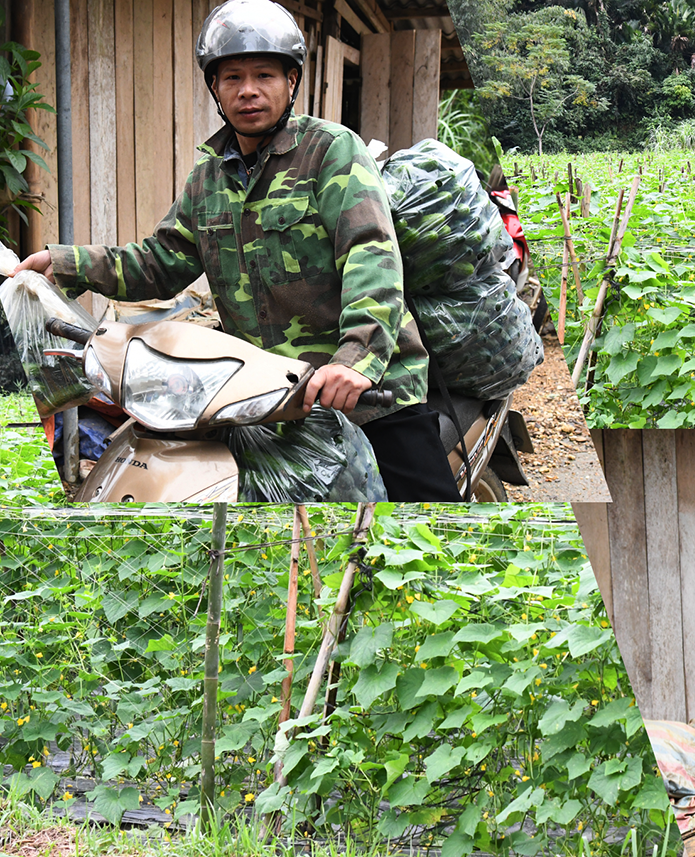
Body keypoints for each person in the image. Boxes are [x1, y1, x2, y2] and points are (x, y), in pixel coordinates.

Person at [14, 0, 461, 501]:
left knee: (428, 525)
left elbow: (370, 254)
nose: (248, 90)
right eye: (232, 78)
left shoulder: (330, 151)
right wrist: (64, 263)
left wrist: (355, 359)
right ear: (215, 88)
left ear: (291, 81)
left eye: (264, 75)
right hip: (264, 400)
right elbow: (159, 262)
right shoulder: (207, 179)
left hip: (366, 394)